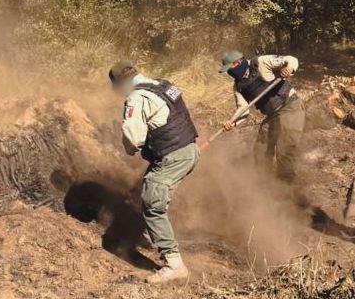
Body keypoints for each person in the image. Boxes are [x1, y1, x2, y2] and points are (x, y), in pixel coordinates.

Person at [109, 61, 199, 284]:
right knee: (148, 188)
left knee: (152, 204)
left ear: (121, 84)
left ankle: (174, 265)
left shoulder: (136, 98)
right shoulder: (163, 84)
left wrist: (129, 149)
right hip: (189, 149)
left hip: (173, 156)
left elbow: (133, 138)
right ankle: (154, 233)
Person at [219, 50, 304, 182]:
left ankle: (288, 190)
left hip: (290, 106)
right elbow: (243, 109)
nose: (229, 72)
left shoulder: (261, 62)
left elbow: (291, 58)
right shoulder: (238, 86)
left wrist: (289, 68)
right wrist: (232, 122)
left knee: (284, 150)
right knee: (261, 150)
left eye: (230, 68)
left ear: (238, 62)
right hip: (272, 115)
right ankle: (266, 185)